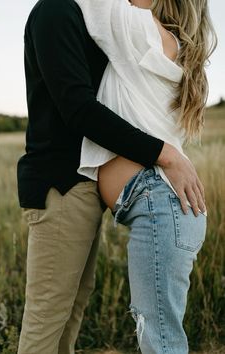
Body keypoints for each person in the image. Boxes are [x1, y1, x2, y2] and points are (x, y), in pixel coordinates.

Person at [16, 0, 209, 353]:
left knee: (71, 313)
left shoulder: (103, 22)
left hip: (83, 186)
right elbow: (79, 109)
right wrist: (164, 153)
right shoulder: (56, 11)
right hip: (60, 183)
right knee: (47, 319)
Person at [76, 0, 217, 352]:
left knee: (161, 343)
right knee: (163, 339)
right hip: (172, 210)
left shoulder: (138, 28)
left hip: (161, 206)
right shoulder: (173, 46)